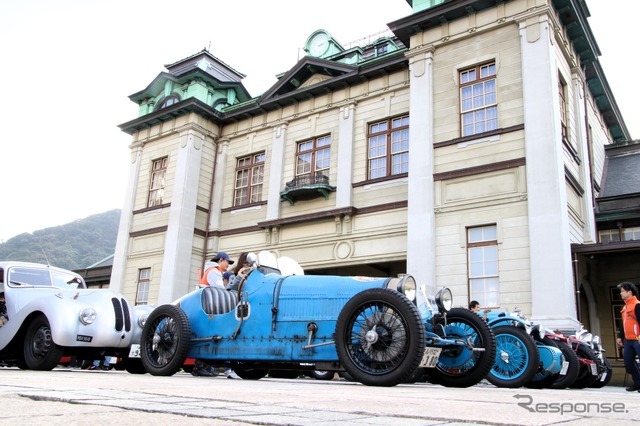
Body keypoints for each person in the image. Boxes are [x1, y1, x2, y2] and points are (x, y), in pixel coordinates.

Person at [616, 281, 640, 392]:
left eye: (622, 291)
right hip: (629, 341)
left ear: (629, 292)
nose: (621, 294)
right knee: (628, 362)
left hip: (637, 339)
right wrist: (620, 336)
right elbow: (623, 323)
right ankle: (637, 383)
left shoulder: (637, 305)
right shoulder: (625, 307)